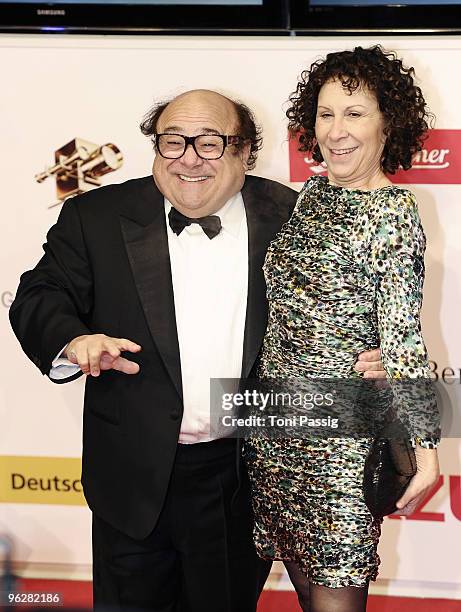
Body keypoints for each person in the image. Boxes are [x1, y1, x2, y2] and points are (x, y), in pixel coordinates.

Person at [9, 89, 384, 612]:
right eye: (172, 142)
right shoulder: (96, 216)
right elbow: (39, 296)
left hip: (240, 476)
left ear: (245, 151)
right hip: (132, 478)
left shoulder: (293, 217)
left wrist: (376, 356)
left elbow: (348, 307)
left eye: (210, 144)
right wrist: (73, 340)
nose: (188, 158)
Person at [244, 46, 440, 612]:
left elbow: (401, 336)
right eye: (325, 114)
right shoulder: (312, 195)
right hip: (276, 429)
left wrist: (425, 451)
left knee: (335, 595)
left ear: (387, 123)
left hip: (341, 440)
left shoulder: (394, 209)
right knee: (303, 585)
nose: (336, 131)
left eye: (354, 113)